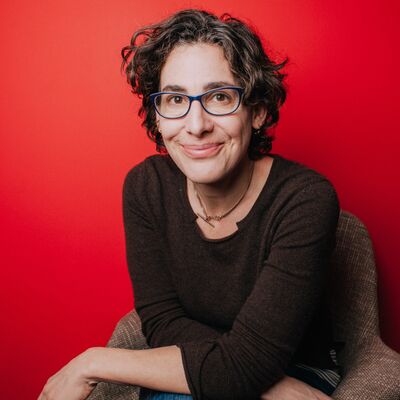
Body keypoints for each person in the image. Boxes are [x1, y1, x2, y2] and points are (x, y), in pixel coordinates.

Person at [38, 9, 341, 400]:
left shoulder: (305, 199)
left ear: (258, 111)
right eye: (175, 98)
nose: (195, 124)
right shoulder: (146, 187)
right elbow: (163, 322)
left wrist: (93, 361)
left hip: (298, 368)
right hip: (224, 367)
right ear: (158, 117)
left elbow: (247, 362)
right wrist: (244, 370)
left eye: (219, 96)